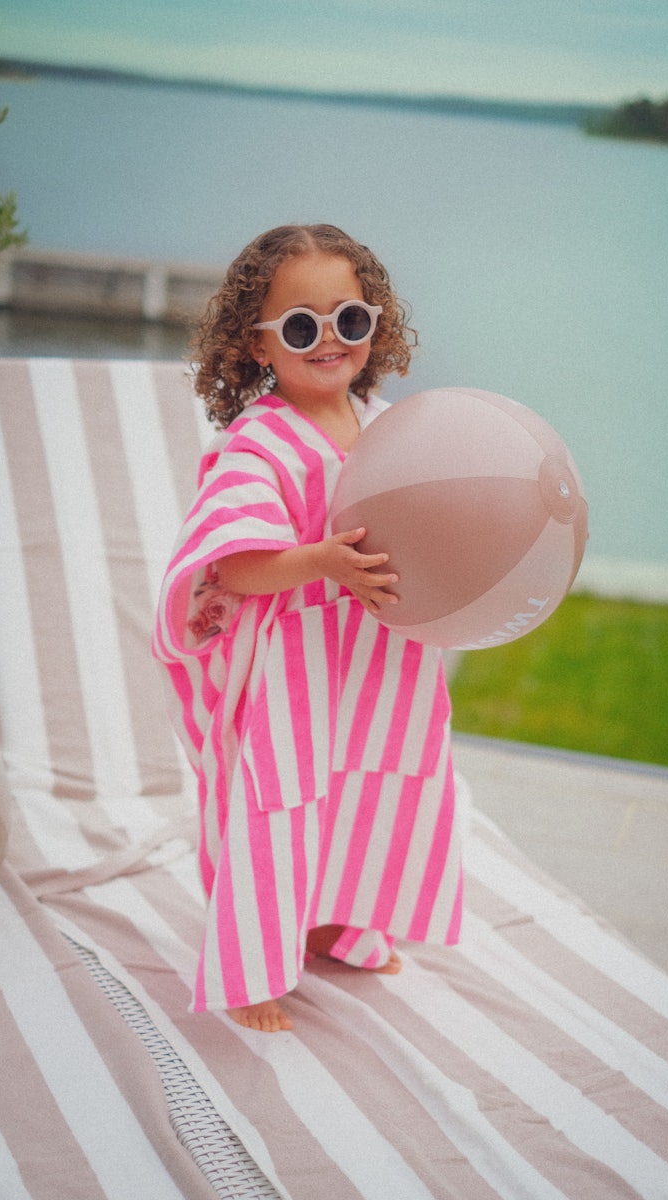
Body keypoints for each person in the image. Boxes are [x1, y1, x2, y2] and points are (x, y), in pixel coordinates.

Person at [153, 224, 462, 1032]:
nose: (329, 341)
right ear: (256, 346)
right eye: (300, 327)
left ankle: (337, 918)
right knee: (283, 801)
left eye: (349, 320)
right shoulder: (259, 444)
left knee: (371, 785)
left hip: (381, 662)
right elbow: (231, 565)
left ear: (375, 326)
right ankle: (253, 964)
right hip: (299, 670)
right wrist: (320, 561)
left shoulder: (386, 423)